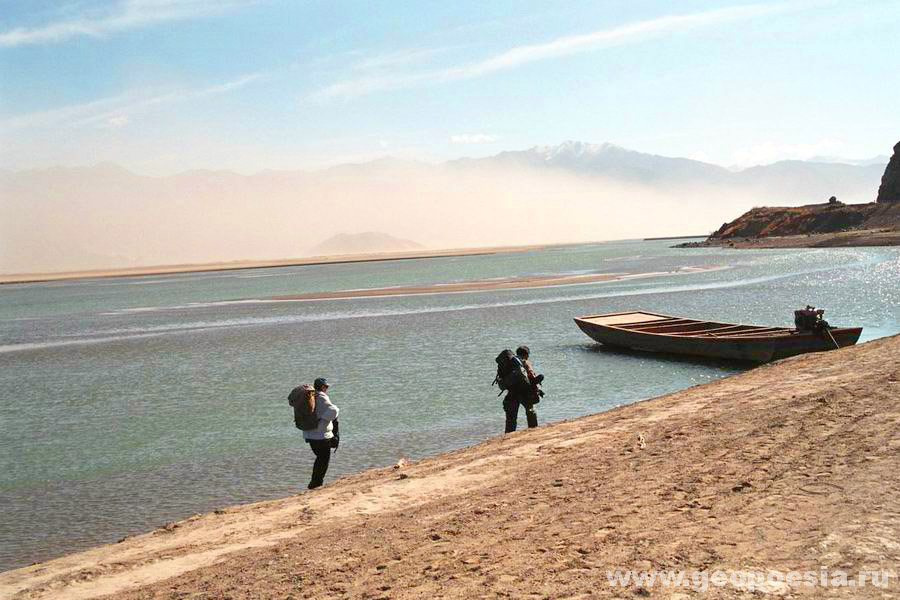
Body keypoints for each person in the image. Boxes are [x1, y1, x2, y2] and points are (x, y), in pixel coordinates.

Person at [303, 377, 340, 489]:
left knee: (320, 458)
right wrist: (324, 418)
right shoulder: (321, 396)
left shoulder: (309, 396)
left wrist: (321, 418)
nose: (327, 389)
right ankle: (316, 483)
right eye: (326, 386)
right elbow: (333, 411)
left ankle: (315, 482)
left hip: (309, 434)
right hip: (321, 435)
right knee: (323, 459)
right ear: (322, 387)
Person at [503, 346, 541, 433]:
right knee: (531, 412)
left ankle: (508, 436)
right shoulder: (524, 362)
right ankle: (533, 432)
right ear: (526, 354)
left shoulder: (509, 363)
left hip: (512, 393)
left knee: (511, 418)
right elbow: (531, 376)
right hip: (525, 392)